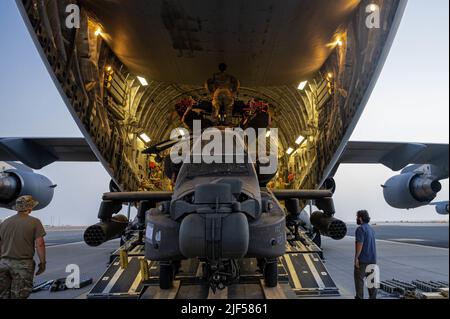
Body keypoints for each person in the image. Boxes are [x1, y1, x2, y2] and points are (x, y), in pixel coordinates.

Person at [0, 195, 47, 299]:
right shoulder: (34, 222)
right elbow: (40, 244)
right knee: (19, 295)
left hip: (3, 263)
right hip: (22, 265)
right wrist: (43, 263)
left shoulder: (5, 222)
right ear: (30, 208)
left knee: (3, 295)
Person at [354, 210, 378, 299]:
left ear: (360, 218)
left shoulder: (360, 229)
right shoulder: (371, 229)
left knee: (359, 281)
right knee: (372, 284)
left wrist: (356, 258)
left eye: (357, 217)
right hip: (372, 260)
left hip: (363, 261)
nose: (356, 219)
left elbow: (360, 244)